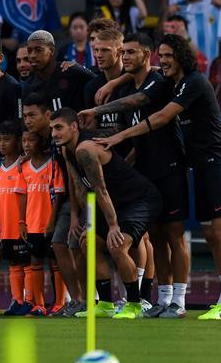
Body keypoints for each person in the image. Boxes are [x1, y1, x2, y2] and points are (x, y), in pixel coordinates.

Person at [95, 35, 221, 320]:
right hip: (199, 164)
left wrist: (119, 136)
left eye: (168, 55)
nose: (163, 61)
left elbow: (161, 118)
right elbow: (143, 81)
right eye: (160, 56)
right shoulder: (172, 82)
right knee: (208, 234)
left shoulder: (194, 81)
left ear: (182, 56)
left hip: (216, 161)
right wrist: (114, 82)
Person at [78, 33, 190, 317]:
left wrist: (98, 109)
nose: (125, 57)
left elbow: (139, 99)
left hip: (170, 168)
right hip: (146, 170)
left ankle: (178, 301)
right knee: (155, 237)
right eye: (124, 52)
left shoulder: (159, 81)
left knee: (175, 237)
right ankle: (160, 299)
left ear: (147, 55)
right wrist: (116, 81)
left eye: (130, 52)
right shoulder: (128, 84)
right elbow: (132, 85)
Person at [52, 108, 159, 320]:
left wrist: (112, 226)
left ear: (74, 127)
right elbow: (80, 188)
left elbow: (100, 190)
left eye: (59, 127)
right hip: (115, 204)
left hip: (139, 201)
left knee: (117, 245)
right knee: (88, 243)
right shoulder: (67, 151)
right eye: (52, 129)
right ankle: (107, 304)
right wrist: (90, 223)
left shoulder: (86, 150)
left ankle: (135, 304)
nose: (54, 133)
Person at [20, 129, 66, 316]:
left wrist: (52, 220)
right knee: (35, 262)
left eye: (31, 140)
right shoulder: (23, 167)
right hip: (32, 224)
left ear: (42, 142)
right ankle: (39, 304)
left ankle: (60, 303)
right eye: (23, 140)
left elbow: (59, 194)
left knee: (56, 263)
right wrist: (22, 221)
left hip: (50, 224)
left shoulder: (53, 165)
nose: (26, 144)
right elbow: (22, 195)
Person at [0, 120, 31, 315]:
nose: (2, 144)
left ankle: (31, 300)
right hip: (6, 225)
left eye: (7, 140)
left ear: (18, 141)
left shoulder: (25, 163)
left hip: (23, 224)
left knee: (28, 264)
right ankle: (17, 300)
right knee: (14, 264)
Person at [165, 0, 221, 70]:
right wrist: (166, 14)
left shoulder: (214, 10)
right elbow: (160, 36)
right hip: (182, 71)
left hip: (208, 72)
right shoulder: (175, 9)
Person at [23, 30, 96, 112]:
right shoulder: (28, 86)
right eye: (29, 51)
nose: (33, 55)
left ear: (52, 51)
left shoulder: (72, 72)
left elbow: (99, 83)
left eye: (38, 50)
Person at [82, 28, 126, 138]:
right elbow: (92, 128)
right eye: (96, 50)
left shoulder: (133, 80)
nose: (98, 55)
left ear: (120, 52)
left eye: (105, 50)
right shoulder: (92, 86)